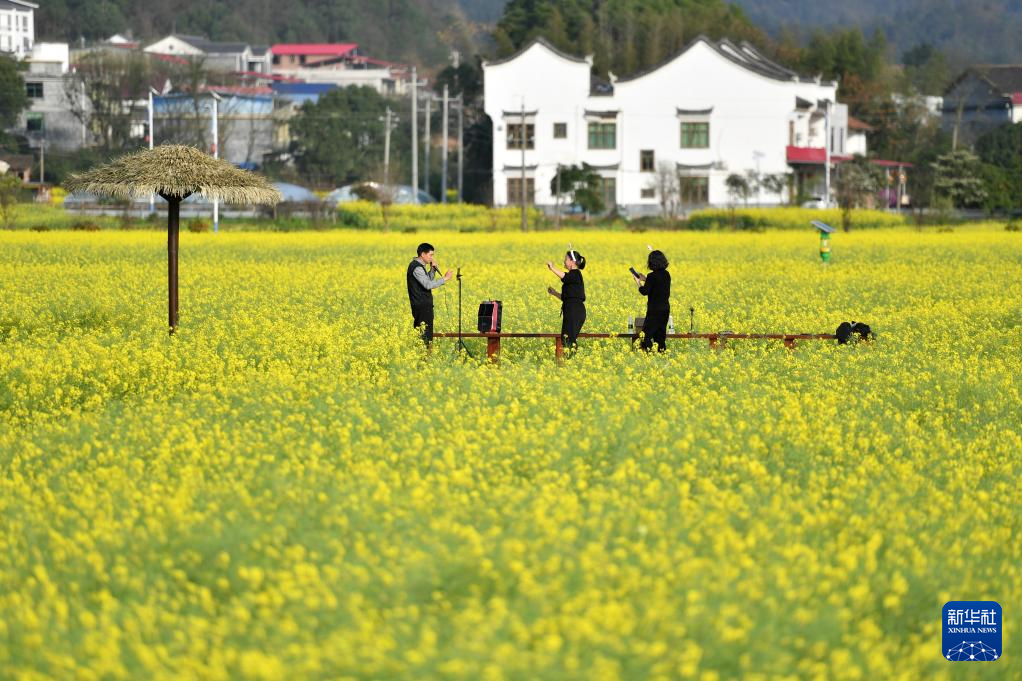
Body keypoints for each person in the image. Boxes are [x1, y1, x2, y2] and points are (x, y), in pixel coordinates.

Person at [407, 242, 452, 345]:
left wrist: (432, 269)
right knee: (425, 337)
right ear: (423, 254)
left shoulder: (418, 266)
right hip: (422, 307)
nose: (432, 258)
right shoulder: (417, 268)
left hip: (423, 306)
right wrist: (445, 278)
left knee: (423, 335)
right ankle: (425, 354)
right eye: (430, 255)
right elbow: (428, 285)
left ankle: (423, 352)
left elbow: (426, 280)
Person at [547, 249, 587, 351]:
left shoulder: (576, 274)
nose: (564, 261)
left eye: (566, 259)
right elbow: (567, 298)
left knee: (569, 340)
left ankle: (571, 358)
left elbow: (565, 276)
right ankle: (569, 358)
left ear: (572, 262)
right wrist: (555, 293)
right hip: (571, 311)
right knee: (566, 339)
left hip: (575, 311)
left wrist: (552, 268)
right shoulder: (572, 277)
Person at [633, 249, 671, 352]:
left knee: (645, 336)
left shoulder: (652, 276)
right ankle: (661, 354)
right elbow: (658, 284)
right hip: (665, 310)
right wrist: (646, 279)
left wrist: (638, 282)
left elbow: (644, 291)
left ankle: (649, 353)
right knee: (660, 336)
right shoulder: (667, 274)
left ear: (651, 262)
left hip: (654, 311)